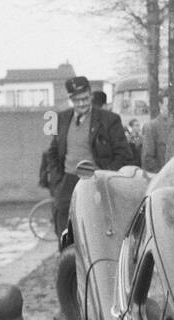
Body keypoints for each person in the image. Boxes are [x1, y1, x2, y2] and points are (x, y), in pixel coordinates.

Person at [45, 74, 137, 241]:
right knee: (64, 229)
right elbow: (52, 152)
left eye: (85, 98)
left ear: (90, 95)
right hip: (67, 182)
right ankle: (67, 255)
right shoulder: (61, 119)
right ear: (71, 99)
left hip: (96, 182)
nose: (82, 104)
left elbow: (124, 154)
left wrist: (105, 176)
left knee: (96, 230)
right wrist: (57, 182)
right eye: (77, 100)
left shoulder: (109, 120)